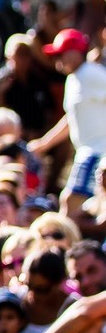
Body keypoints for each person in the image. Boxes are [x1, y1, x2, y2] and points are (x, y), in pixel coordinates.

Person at [31, 30, 106, 218]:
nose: (57, 59)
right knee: (77, 205)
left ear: (75, 52)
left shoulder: (90, 73)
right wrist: (44, 143)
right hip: (87, 152)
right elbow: (71, 118)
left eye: (61, 53)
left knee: (72, 201)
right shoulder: (74, 79)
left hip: (98, 152)